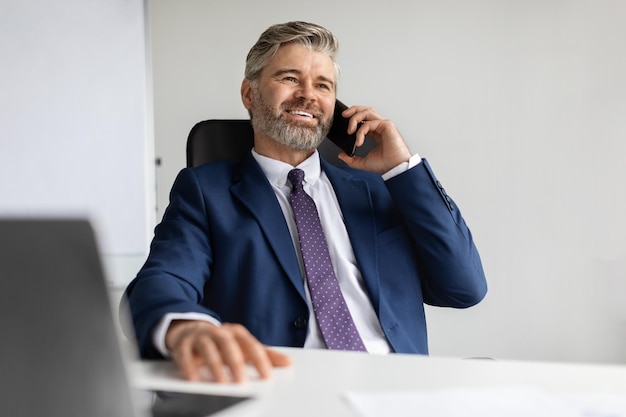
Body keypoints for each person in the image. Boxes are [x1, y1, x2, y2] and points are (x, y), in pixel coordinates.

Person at [123, 21, 487, 384]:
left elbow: (463, 287)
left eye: (323, 85)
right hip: (283, 389)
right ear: (249, 94)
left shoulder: (380, 188)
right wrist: (187, 327)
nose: (308, 95)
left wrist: (403, 170)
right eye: (290, 78)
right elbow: (164, 278)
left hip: (397, 387)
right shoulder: (206, 192)